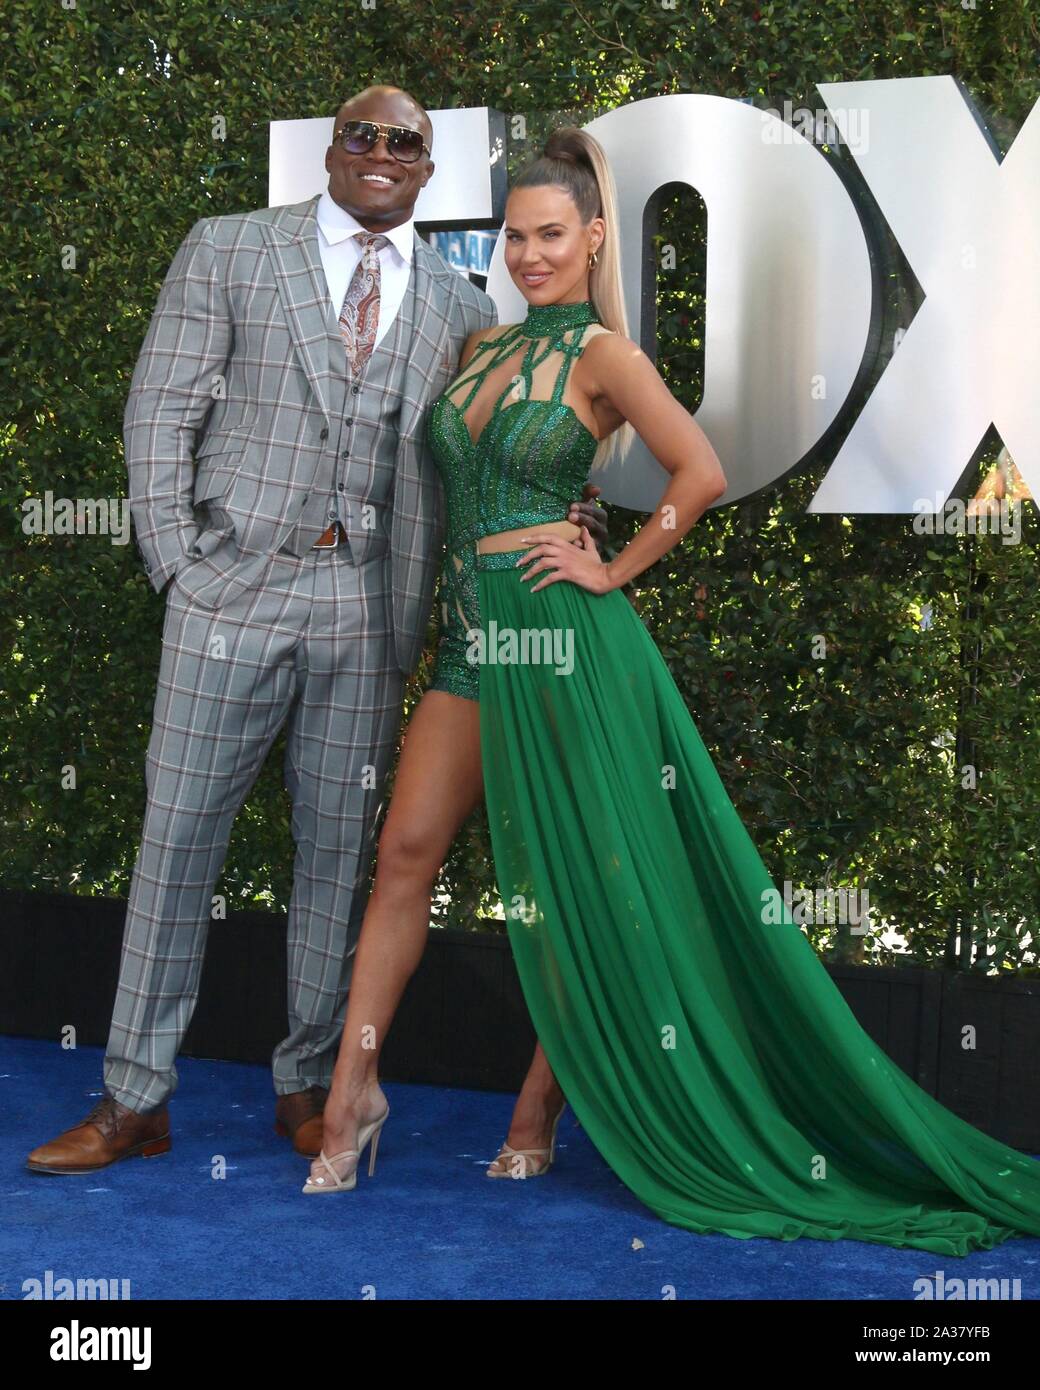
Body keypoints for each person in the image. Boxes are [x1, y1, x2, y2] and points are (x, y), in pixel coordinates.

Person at [300, 125, 1040, 1258]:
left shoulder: (606, 357)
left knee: (577, 882)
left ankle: (539, 1105)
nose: (529, 253)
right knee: (403, 856)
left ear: (594, 237)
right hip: (467, 641)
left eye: (551, 234)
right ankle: (353, 1090)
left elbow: (696, 473)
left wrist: (609, 561)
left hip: (562, 639)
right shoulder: (480, 349)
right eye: (513, 235)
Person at [25, 86, 606, 1176]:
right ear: (330, 149)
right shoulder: (231, 249)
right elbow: (159, 410)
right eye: (363, 135)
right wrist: (180, 567)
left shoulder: (455, 305)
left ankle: (303, 1079)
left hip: (367, 610)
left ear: (429, 170)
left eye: (406, 143)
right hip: (227, 595)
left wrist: (571, 520)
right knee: (174, 842)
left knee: (337, 860)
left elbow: (503, 450)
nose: (383, 153)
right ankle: (133, 1096)